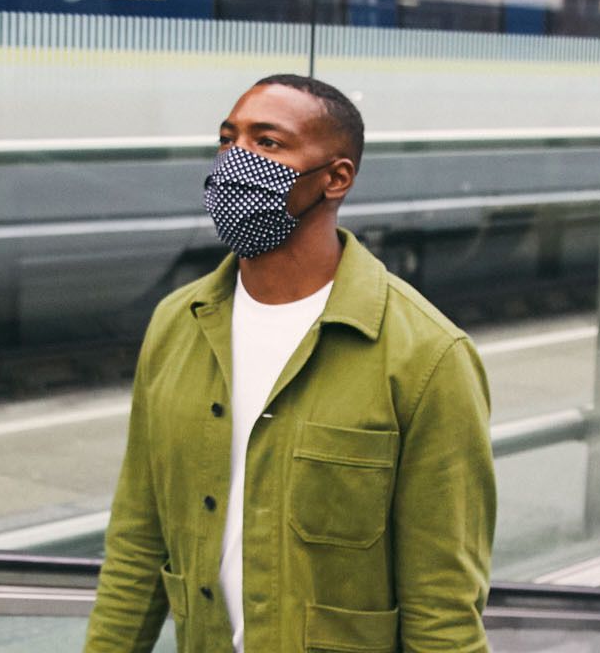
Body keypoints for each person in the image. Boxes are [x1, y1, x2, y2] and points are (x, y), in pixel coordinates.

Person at [85, 75, 497, 653]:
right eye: (228, 139)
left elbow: (442, 610)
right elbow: (137, 545)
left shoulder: (427, 358)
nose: (236, 161)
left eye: (268, 143)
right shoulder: (177, 324)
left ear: (336, 178)